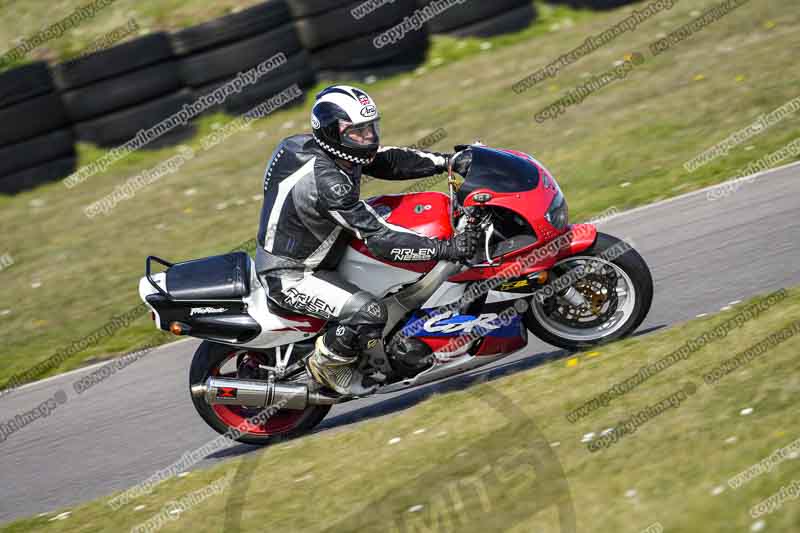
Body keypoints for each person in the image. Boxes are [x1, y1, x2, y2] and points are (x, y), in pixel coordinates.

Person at [256, 84, 473, 396]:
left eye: (371, 128)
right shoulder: (329, 184)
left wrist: (448, 162)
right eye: (357, 132)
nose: (368, 138)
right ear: (332, 132)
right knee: (369, 312)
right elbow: (380, 240)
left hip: (324, 248)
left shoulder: (307, 146)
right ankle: (327, 364)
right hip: (292, 274)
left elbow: (387, 160)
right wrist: (446, 249)